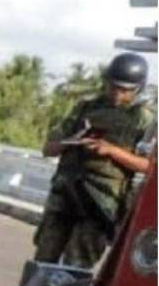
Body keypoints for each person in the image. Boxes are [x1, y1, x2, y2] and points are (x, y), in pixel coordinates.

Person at [33, 53, 154, 269]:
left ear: (137, 89)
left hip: (100, 203)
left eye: (125, 90)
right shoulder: (85, 109)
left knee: (76, 265)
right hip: (65, 194)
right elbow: (48, 148)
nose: (117, 94)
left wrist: (111, 151)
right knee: (43, 257)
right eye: (113, 87)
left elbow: (149, 167)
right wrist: (72, 141)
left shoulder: (144, 119)